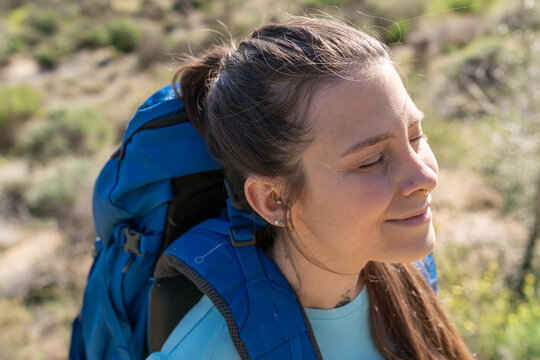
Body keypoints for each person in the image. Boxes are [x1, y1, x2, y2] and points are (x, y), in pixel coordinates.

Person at [147, 16, 474, 360]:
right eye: (372, 160)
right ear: (274, 200)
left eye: (415, 136)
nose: (426, 177)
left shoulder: (407, 279)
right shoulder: (205, 351)